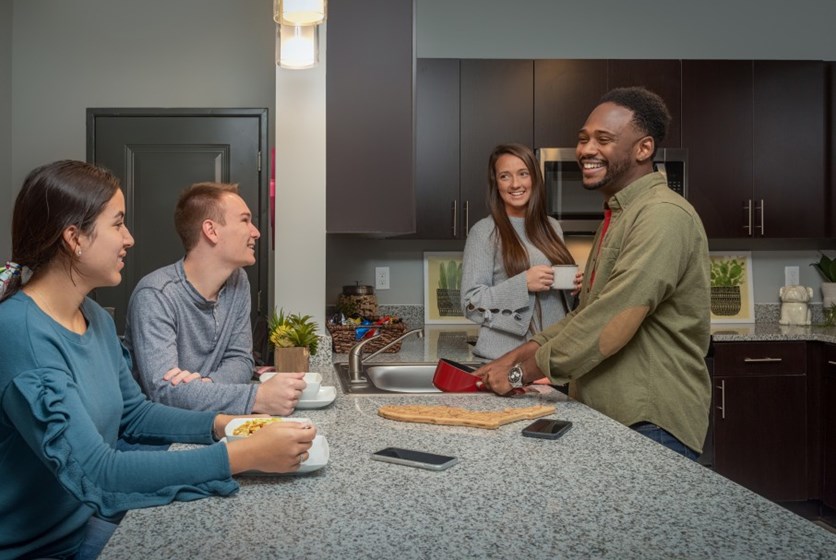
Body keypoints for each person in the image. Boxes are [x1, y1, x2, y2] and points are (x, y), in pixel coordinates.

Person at [0, 161, 315, 559]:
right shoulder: (19, 334)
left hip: (91, 521)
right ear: (74, 237)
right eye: (117, 224)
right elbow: (99, 474)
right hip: (41, 549)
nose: (129, 238)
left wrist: (228, 424)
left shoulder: (93, 316)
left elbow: (136, 415)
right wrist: (242, 454)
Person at [475, 87, 712, 460]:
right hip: (614, 415)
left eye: (603, 139)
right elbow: (584, 314)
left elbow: (611, 321)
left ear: (643, 149)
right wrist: (512, 358)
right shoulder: (617, 217)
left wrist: (522, 374)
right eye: (583, 139)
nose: (586, 150)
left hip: (649, 422)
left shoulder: (662, 216)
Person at [124, 182, 305, 416]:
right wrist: (256, 397)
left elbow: (240, 359)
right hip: (165, 439)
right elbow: (164, 393)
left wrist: (205, 385)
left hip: (215, 420)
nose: (256, 232)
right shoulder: (156, 294)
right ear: (211, 230)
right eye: (244, 220)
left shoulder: (238, 281)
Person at [461, 143, 578, 360]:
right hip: (504, 359)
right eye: (505, 176)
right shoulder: (484, 232)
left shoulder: (552, 226)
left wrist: (575, 289)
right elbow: (470, 303)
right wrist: (522, 283)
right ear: (496, 183)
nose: (515, 184)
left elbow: (557, 303)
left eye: (523, 174)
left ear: (534, 178)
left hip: (551, 356)